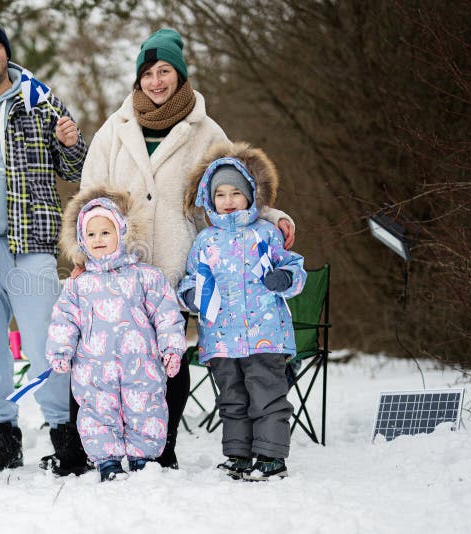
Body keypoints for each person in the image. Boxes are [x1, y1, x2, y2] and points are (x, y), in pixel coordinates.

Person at [79, 28, 296, 468]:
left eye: (165, 72)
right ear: (137, 79)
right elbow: (89, 197)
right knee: (121, 362)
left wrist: (273, 217)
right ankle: (107, 446)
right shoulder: (114, 130)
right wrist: (86, 256)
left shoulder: (205, 129)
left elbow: (236, 185)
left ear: (180, 76)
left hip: (179, 266)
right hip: (123, 269)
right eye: (148, 74)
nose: (156, 82)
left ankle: (164, 447)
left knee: (169, 358)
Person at [0, 17, 90, 476]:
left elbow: (74, 168)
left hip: (31, 244)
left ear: (6, 52)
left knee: (45, 345)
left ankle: (65, 434)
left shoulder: (39, 101)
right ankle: (4, 435)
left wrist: (71, 143)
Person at [178, 140, 306, 481]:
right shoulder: (205, 241)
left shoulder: (265, 233)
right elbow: (191, 279)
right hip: (221, 339)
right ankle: (237, 454)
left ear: (250, 194)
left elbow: (295, 268)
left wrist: (286, 277)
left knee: (267, 395)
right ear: (210, 199)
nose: (229, 201)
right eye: (221, 195)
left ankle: (270, 455)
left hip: (265, 335)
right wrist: (191, 297)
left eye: (236, 193)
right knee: (232, 400)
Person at [46, 188, 187, 481]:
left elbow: (166, 314)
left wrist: (172, 348)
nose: (98, 240)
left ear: (121, 233)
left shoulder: (146, 277)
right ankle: (106, 460)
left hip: (141, 366)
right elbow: (64, 321)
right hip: (94, 370)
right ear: (82, 241)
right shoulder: (78, 286)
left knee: (146, 408)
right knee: (97, 413)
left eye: (105, 232)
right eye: (92, 234)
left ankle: (142, 458)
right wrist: (61, 351)